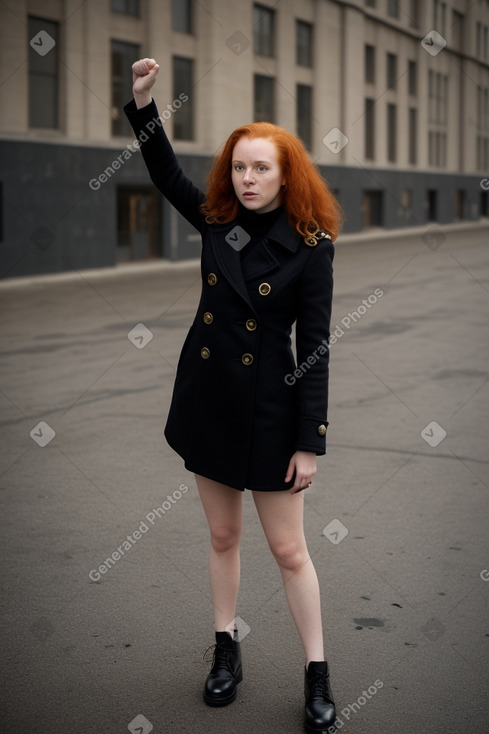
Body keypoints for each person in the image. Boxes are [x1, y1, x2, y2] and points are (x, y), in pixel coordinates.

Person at [124, 58, 343, 734]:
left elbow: (312, 349)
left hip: (273, 415)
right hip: (209, 404)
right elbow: (165, 174)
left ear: (286, 176)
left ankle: (316, 674)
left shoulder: (310, 248)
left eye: (260, 169)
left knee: (289, 551)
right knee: (222, 534)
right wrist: (143, 103)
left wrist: (310, 442)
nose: (246, 179)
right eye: (239, 167)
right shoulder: (219, 221)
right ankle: (226, 650)